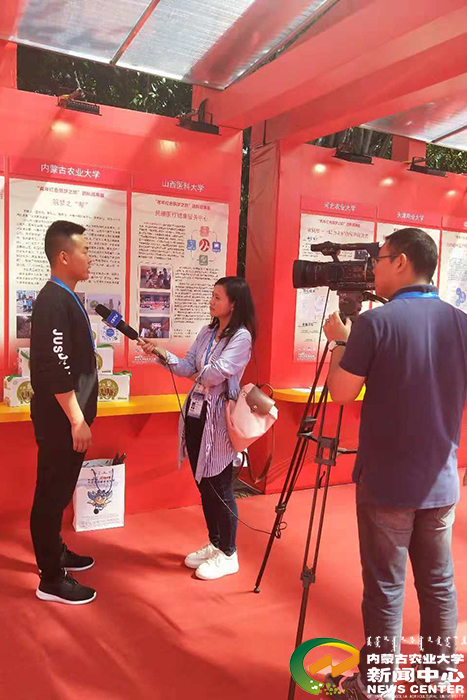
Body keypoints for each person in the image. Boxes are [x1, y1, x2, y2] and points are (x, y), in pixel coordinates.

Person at [323, 228, 466, 700]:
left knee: (385, 588)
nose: (374, 269)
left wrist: (340, 342)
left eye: (380, 259)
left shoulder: (374, 323)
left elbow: (341, 393)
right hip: (441, 481)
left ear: (402, 262)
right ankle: (437, 683)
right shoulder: (461, 323)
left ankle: (377, 686)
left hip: (387, 484)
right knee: (439, 586)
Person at [140, 276, 256, 580]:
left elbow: (215, 374)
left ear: (234, 303)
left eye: (218, 297)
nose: (212, 301)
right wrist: (160, 353)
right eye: (212, 295)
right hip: (195, 414)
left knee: (220, 485)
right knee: (203, 483)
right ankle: (215, 543)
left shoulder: (241, 337)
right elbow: (187, 366)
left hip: (219, 419)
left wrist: (196, 372)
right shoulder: (207, 331)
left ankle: (229, 553)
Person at [30, 220, 98, 605]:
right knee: (51, 495)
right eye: (85, 250)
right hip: (61, 421)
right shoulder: (53, 301)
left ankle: (56, 552)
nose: (90, 257)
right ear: (63, 256)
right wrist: (76, 419)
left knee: (58, 494)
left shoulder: (65, 298)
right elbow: (55, 368)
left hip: (69, 420)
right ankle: (51, 579)